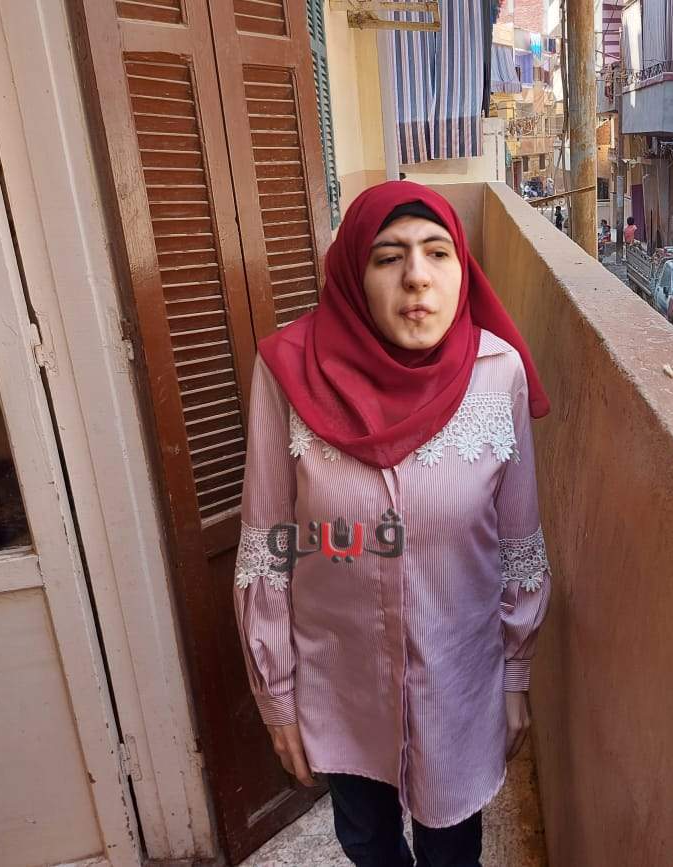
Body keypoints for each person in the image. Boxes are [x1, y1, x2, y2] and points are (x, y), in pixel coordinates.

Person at [234, 181, 553, 866]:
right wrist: (277, 696)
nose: (416, 276)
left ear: (462, 270)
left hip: (458, 682)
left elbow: (519, 543)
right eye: (388, 257)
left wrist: (515, 676)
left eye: (438, 252)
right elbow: (267, 547)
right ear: (354, 272)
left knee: (452, 850)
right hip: (340, 683)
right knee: (367, 842)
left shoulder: (497, 375)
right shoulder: (286, 374)